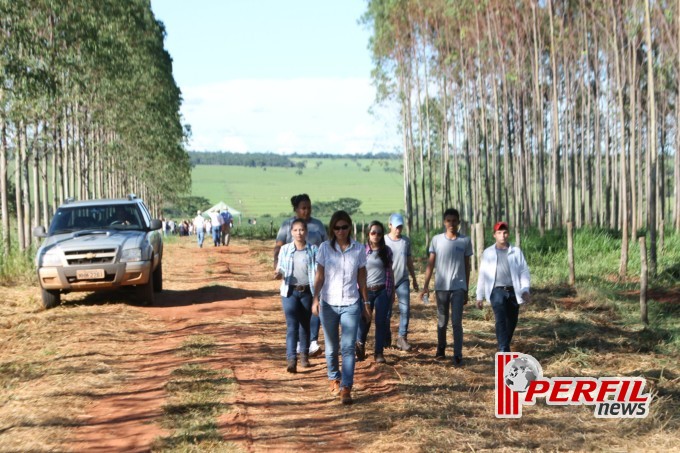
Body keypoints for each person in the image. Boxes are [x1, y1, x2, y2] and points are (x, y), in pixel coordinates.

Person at [312, 210, 370, 405]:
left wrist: (365, 302)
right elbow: (319, 276)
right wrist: (315, 299)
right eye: (337, 227)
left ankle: (346, 387)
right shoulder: (324, 249)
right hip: (328, 303)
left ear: (350, 228)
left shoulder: (359, 249)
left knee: (347, 348)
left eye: (344, 227)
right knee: (331, 348)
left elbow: (362, 277)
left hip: (351, 304)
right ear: (332, 229)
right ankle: (333, 378)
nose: (341, 231)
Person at [274, 194, 328, 358]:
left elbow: (326, 245)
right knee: (296, 313)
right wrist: (277, 268)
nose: (307, 211)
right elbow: (278, 247)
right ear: (296, 210)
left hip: (316, 273)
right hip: (293, 278)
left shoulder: (318, 225)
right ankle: (298, 343)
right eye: (303, 208)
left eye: (309, 207)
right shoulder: (287, 225)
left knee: (315, 307)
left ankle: (312, 341)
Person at [420, 208, 472, 366]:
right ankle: (441, 348)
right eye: (448, 221)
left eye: (454, 221)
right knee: (442, 320)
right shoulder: (436, 240)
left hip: (458, 287)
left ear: (459, 222)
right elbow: (430, 263)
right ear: (444, 222)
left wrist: (466, 289)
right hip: (441, 287)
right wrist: (425, 286)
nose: (451, 224)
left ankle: (457, 354)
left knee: (456, 322)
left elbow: (467, 265)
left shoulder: (465, 241)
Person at [475, 221, 531, 352]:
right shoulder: (488, 252)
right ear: (494, 235)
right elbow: (482, 275)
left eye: (505, 232)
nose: (502, 235)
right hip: (496, 291)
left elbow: (524, 271)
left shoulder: (516, 252)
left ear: (508, 234)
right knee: (500, 319)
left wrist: (525, 289)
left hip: (513, 291)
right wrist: (479, 296)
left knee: (511, 321)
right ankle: (504, 349)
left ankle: (503, 343)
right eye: (499, 233)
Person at [275, 218, 318, 373]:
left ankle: (304, 355)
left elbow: (318, 272)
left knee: (305, 325)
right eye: (295, 230)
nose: (299, 233)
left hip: (307, 292)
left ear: (306, 232)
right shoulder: (285, 249)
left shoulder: (313, 250)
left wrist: (318, 294)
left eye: (301, 230)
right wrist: (278, 273)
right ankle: (291, 359)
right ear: (291, 232)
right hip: (290, 291)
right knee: (292, 325)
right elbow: (280, 267)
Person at [356, 220, 393, 364]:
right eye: (373, 233)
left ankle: (378, 353)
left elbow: (390, 272)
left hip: (382, 290)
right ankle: (360, 344)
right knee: (364, 321)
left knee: (381, 322)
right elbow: (357, 273)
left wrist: (392, 291)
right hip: (366, 291)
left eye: (379, 233)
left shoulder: (387, 251)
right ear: (368, 234)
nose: (376, 235)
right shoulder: (362, 251)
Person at [384, 213, 419, 351]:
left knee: (405, 309)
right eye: (396, 226)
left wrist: (414, 279)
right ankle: (385, 337)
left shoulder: (406, 241)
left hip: (402, 280)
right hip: (387, 281)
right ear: (390, 225)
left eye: (400, 227)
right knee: (386, 311)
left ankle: (402, 338)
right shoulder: (384, 240)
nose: (399, 229)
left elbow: (409, 261)